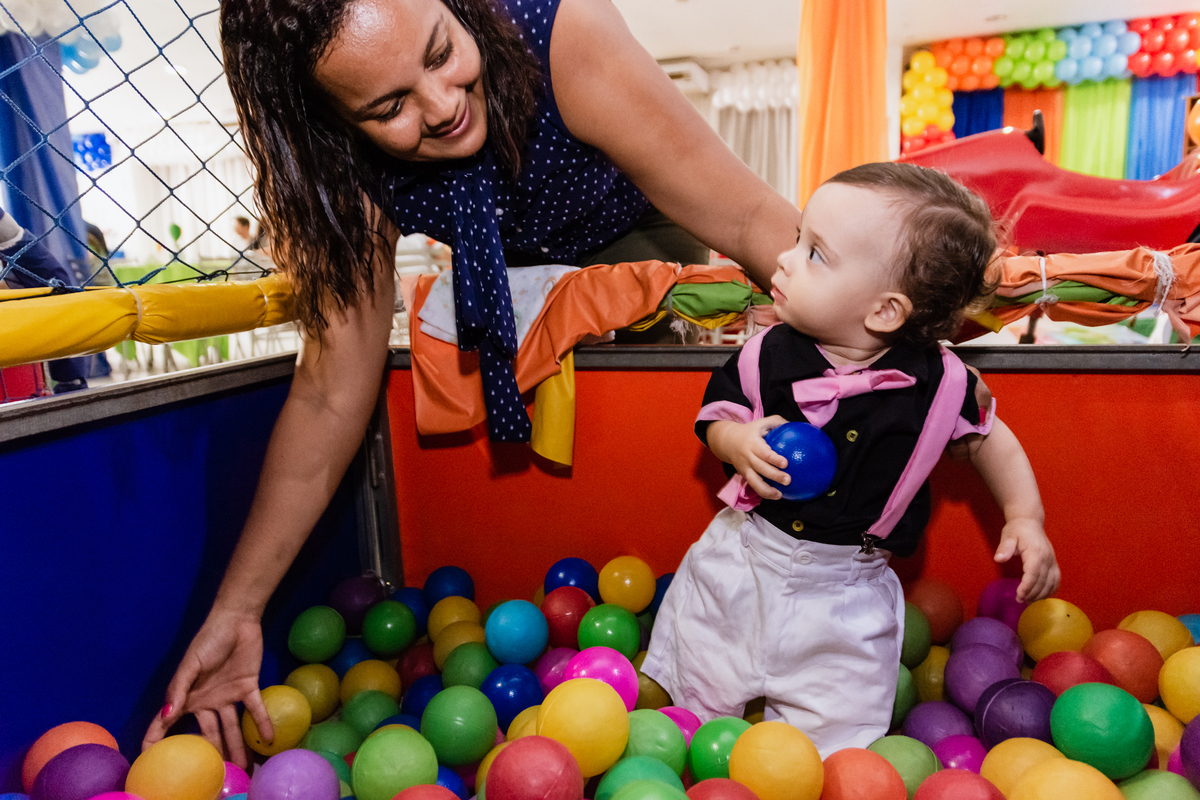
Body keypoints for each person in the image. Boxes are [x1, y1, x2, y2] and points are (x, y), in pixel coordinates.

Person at [144, 0, 806, 764]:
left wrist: (886, 298)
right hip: (509, 287)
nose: (443, 104)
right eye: (389, 106)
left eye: (440, 51)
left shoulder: (564, 37)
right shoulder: (340, 161)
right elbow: (332, 388)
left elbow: (753, 217)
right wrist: (239, 607)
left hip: (641, 259)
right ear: (335, 124)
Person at [640, 162, 1060, 757]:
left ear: (886, 311)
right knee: (701, 688)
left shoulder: (941, 385)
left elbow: (989, 440)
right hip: (746, 560)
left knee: (836, 739)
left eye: (815, 253)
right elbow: (715, 418)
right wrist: (737, 445)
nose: (784, 260)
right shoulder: (765, 353)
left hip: (847, 591)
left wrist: (1024, 517)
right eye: (798, 239)